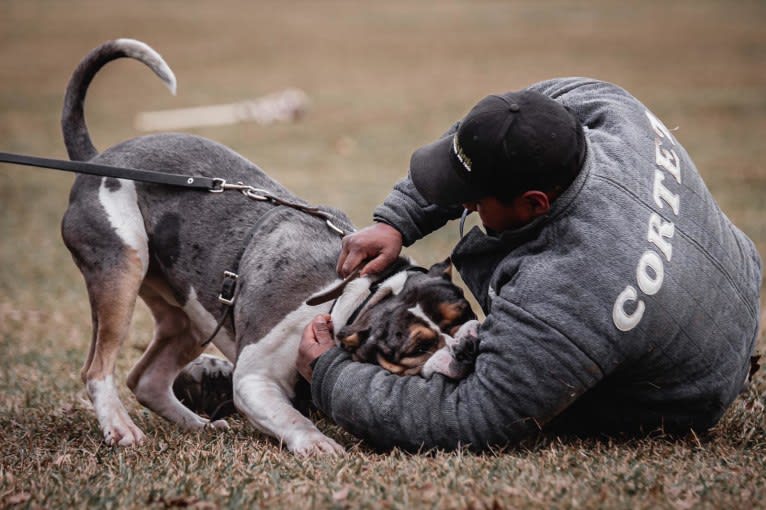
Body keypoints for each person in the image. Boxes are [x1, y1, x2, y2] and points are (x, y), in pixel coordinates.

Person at [296, 77, 762, 452]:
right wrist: (396, 221)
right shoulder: (601, 102)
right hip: (736, 278)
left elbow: (470, 417)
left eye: (473, 201)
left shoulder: (570, 284)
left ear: (534, 202)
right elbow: (485, 134)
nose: (468, 207)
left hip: (691, 392)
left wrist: (333, 375)